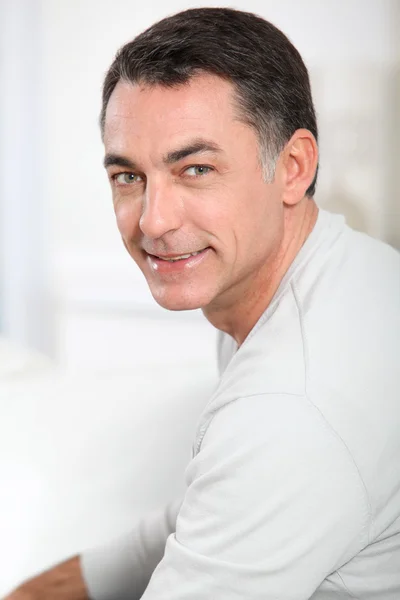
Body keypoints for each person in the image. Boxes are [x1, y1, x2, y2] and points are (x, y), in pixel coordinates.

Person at [5, 7, 400, 600]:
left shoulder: (290, 403)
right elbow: (199, 514)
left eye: (195, 169)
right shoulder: (333, 276)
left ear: (294, 167)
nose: (154, 221)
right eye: (128, 177)